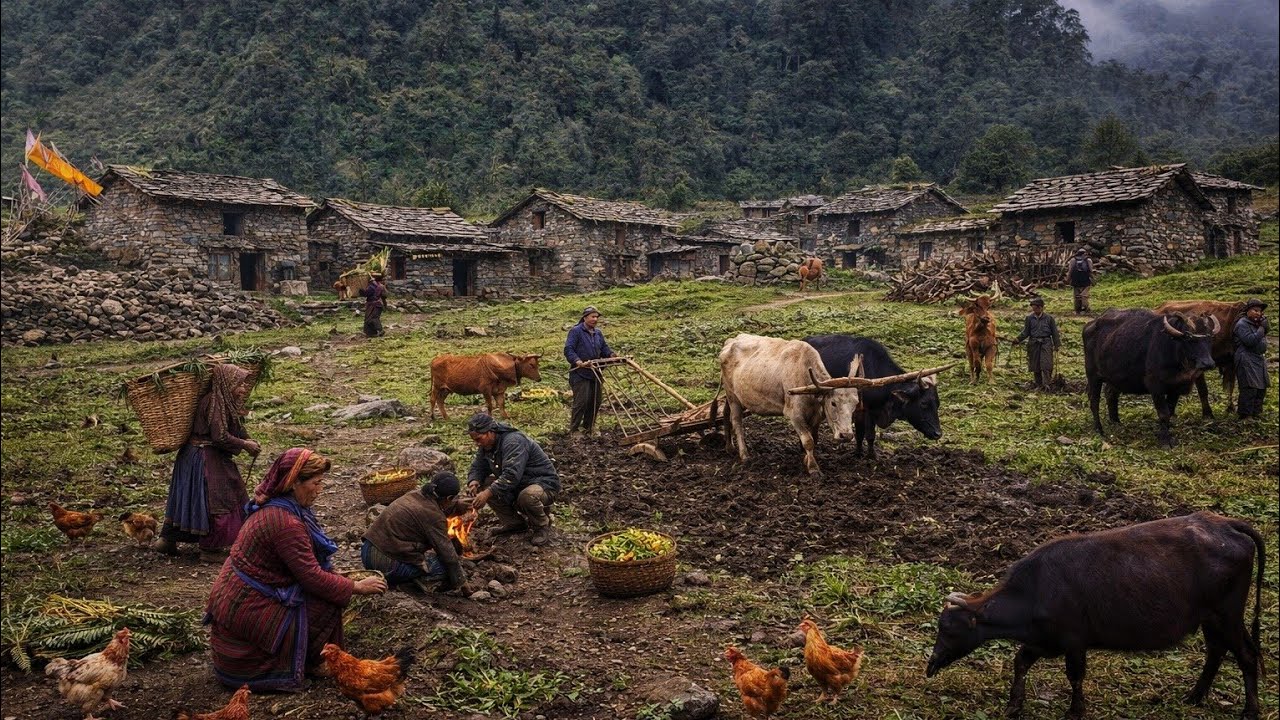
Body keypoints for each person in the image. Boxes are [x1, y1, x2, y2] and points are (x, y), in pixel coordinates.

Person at [204, 449, 387, 691]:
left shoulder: (278, 507)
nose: (320, 490)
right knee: (328, 600)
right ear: (294, 483)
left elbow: (301, 564)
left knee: (331, 587)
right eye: (316, 483)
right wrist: (357, 586)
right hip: (249, 608)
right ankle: (307, 661)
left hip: (239, 598)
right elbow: (311, 577)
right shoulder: (285, 523)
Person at [154, 363, 261, 560]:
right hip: (203, 458)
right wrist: (245, 445)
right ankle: (210, 549)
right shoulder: (214, 402)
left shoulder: (225, 402)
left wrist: (248, 439)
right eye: (239, 384)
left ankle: (167, 540)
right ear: (227, 383)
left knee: (189, 497)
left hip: (195, 456)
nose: (243, 388)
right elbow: (220, 436)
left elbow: (235, 426)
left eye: (244, 384)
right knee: (218, 497)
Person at [361, 471, 475, 593]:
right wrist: (461, 582)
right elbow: (448, 555)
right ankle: (410, 585)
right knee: (444, 569)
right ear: (449, 498)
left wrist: (456, 505)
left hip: (367, 552)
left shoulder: (415, 495)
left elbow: (436, 508)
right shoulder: (434, 516)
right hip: (385, 564)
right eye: (454, 499)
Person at [465, 413, 561, 546]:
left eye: (479, 439)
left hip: (542, 484)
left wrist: (487, 494)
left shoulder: (513, 442)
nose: (477, 444)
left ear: (490, 432)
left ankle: (541, 526)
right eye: (474, 440)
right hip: (517, 485)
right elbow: (478, 466)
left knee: (527, 496)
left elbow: (511, 475)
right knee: (485, 485)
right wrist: (474, 481)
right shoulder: (486, 445)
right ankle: (514, 523)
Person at [564, 305, 615, 433]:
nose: (595, 319)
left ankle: (588, 429)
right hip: (580, 373)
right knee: (581, 402)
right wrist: (578, 361)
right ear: (585, 318)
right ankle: (574, 430)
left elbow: (604, 348)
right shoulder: (576, 331)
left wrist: (611, 355)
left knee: (595, 402)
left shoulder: (598, 333)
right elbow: (569, 349)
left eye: (597, 317)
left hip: (595, 372)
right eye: (592, 317)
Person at [1013, 297, 1061, 390]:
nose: (1035, 310)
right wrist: (1018, 339)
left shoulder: (1049, 318)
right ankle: (1038, 384)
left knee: (1046, 364)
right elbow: (1026, 332)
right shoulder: (1029, 318)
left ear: (1041, 307)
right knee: (1035, 365)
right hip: (1034, 343)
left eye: (1036, 308)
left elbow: (1054, 332)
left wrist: (1057, 345)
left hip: (1046, 342)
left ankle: (1047, 384)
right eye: (1033, 308)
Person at [1234, 298, 1269, 419]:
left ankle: (1256, 413)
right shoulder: (1242, 324)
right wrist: (1262, 329)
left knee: (1261, 387)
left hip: (1258, 358)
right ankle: (1245, 415)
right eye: (1255, 310)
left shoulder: (1256, 324)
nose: (1258, 313)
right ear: (1248, 311)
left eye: (1260, 311)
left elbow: (1262, 336)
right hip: (1246, 357)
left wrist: (1264, 326)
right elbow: (1250, 341)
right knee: (1249, 387)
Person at [1067, 247, 1094, 314]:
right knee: (1084, 295)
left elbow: (1070, 271)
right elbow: (1091, 271)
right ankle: (1085, 308)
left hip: (1075, 279)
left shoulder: (1073, 260)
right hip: (1085, 279)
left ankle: (1077, 309)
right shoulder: (1088, 260)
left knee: (1076, 295)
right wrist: (1093, 279)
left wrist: (1068, 279)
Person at [360, 271, 386, 338]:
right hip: (378, 305)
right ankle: (370, 333)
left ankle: (380, 330)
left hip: (373, 305)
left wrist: (361, 291)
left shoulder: (371, 286)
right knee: (368, 319)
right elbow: (384, 297)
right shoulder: (382, 286)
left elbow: (366, 294)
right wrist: (385, 305)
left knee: (373, 318)